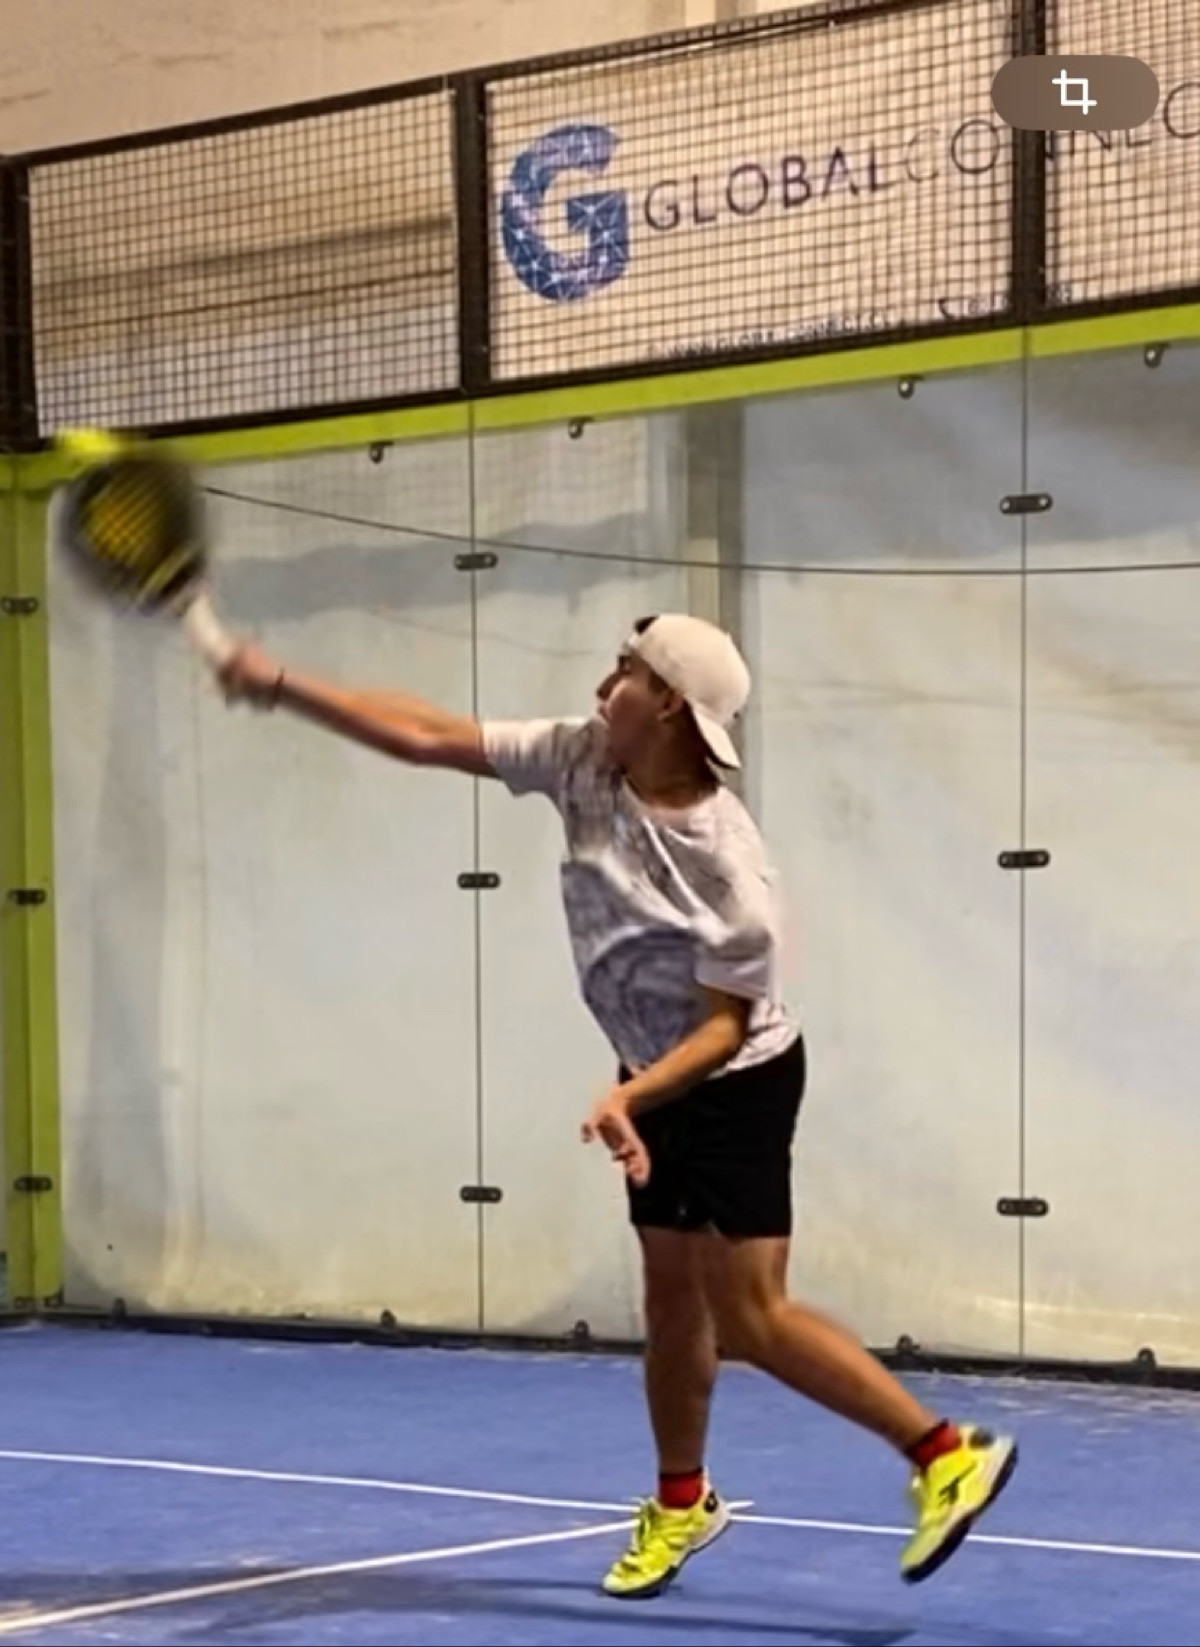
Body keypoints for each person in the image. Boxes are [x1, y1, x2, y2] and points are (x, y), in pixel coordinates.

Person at [216, 610, 1017, 1598]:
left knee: (750, 1315)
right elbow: (428, 733)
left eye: (627, 670)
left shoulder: (730, 867)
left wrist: (627, 1097)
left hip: (736, 1085)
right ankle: (682, 1503)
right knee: (670, 1299)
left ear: (669, 703)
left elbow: (724, 1031)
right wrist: (285, 686)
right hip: (645, 1074)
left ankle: (944, 1452)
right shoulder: (581, 758)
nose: (606, 683)